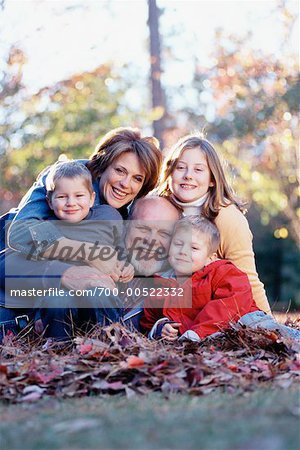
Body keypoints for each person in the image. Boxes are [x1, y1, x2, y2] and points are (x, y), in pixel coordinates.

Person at [0, 127, 162, 340]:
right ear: (103, 166)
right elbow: (19, 237)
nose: (125, 184)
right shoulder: (65, 180)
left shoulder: (124, 212)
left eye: (137, 178)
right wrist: (87, 255)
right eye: (120, 171)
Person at [156, 133, 271, 314]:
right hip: (164, 307)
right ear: (169, 173)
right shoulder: (157, 208)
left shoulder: (226, 217)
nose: (188, 175)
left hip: (211, 313)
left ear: (212, 179)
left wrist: (269, 329)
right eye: (180, 167)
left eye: (198, 170)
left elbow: (247, 280)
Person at [140, 216, 300, 342]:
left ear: (210, 257)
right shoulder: (159, 285)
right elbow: (148, 320)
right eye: (178, 244)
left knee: (281, 337)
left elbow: (230, 304)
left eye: (194, 248)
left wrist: (197, 333)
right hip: (207, 336)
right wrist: (161, 328)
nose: (183, 251)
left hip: (245, 320)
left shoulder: (221, 272)